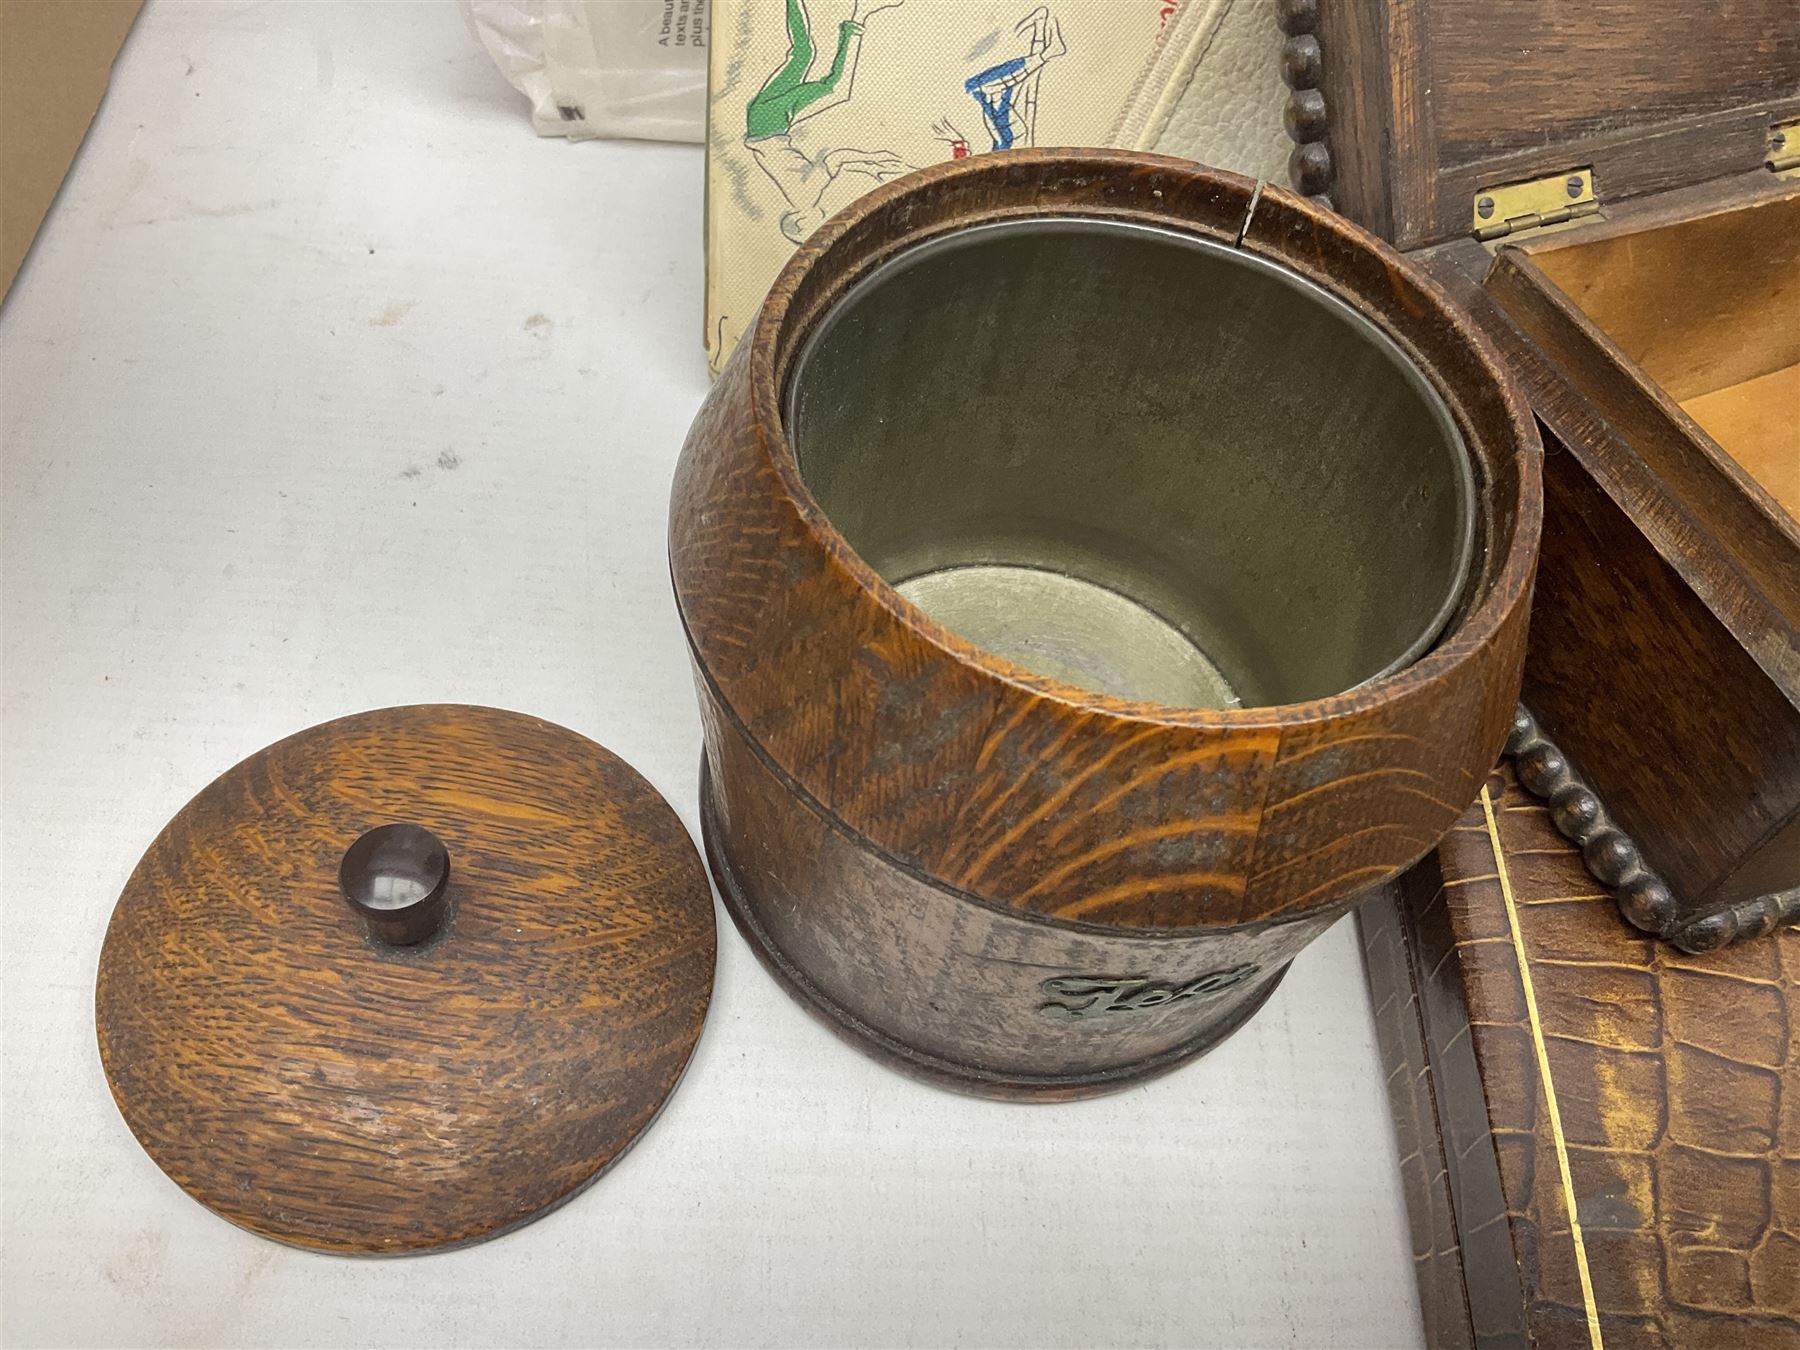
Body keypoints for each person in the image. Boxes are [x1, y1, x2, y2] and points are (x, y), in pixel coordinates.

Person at [743, 0, 908, 243]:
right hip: (759, 120)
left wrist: (871, 159)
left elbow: (836, 158)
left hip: (771, 124)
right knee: (802, 53)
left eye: (813, 229)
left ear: (799, 220)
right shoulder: (801, 195)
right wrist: (868, 165)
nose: (823, 225)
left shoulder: (807, 196)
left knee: (836, 89)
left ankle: (859, 15)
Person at [964, 7, 1065, 152]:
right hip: (1010, 141)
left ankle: (1047, 49)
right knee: (979, 86)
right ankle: (1048, 53)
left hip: (1004, 141)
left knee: (979, 87)